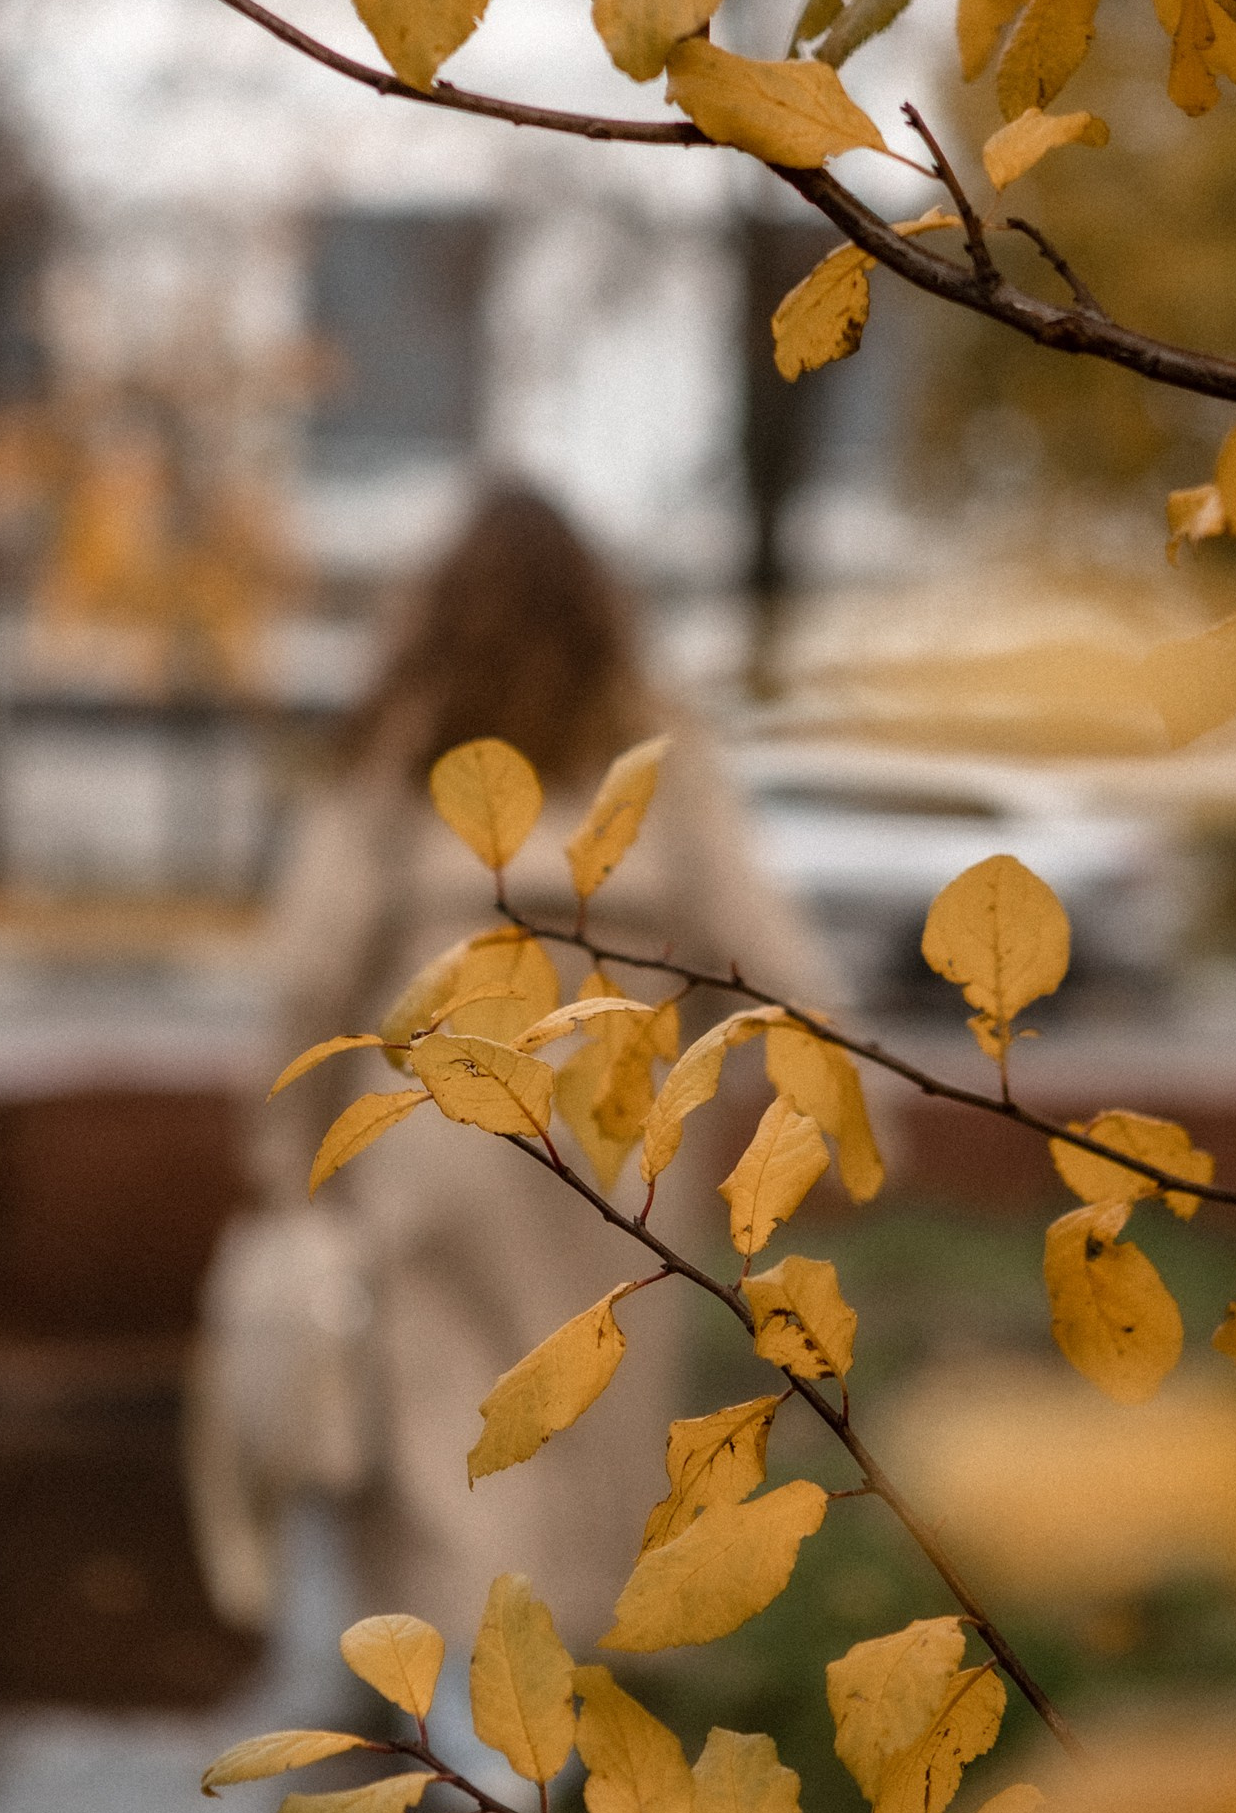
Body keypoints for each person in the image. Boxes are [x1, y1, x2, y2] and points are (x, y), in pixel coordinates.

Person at [189, 482, 844, 1664]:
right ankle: (562, 1733)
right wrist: (841, 1111)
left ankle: (471, 1751)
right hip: (619, 1161)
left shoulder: (407, 744)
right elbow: (770, 957)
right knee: (592, 1441)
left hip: (430, 1145)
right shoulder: (657, 760)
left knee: (448, 1444)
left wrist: (281, 1159)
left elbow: (307, 974)